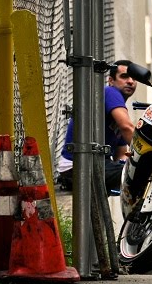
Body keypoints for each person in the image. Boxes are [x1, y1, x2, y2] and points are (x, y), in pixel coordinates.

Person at [57, 60, 137, 193]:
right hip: (78, 166)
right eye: (124, 77)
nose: (130, 81)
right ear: (111, 80)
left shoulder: (119, 107)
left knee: (135, 171)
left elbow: (121, 154)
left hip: (94, 164)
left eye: (134, 78)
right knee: (142, 174)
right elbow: (127, 127)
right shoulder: (110, 92)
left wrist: (126, 161)